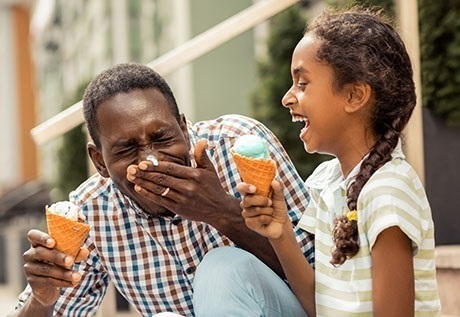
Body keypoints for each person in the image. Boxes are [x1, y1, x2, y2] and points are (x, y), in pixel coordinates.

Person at [9, 63, 314, 317]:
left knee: (222, 269)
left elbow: (321, 275)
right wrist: (42, 299)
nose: (149, 161)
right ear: (100, 161)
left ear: (183, 126)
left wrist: (222, 213)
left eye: (162, 138)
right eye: (126, 149)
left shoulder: (237, 145)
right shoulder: (90, 212)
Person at [197, 7, 442, 317]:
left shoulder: (389, 189)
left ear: (354, 96)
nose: (287, 97)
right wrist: (281, 231)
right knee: (219, 266)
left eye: (302, 83)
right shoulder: (325, 181)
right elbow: (318, 306)